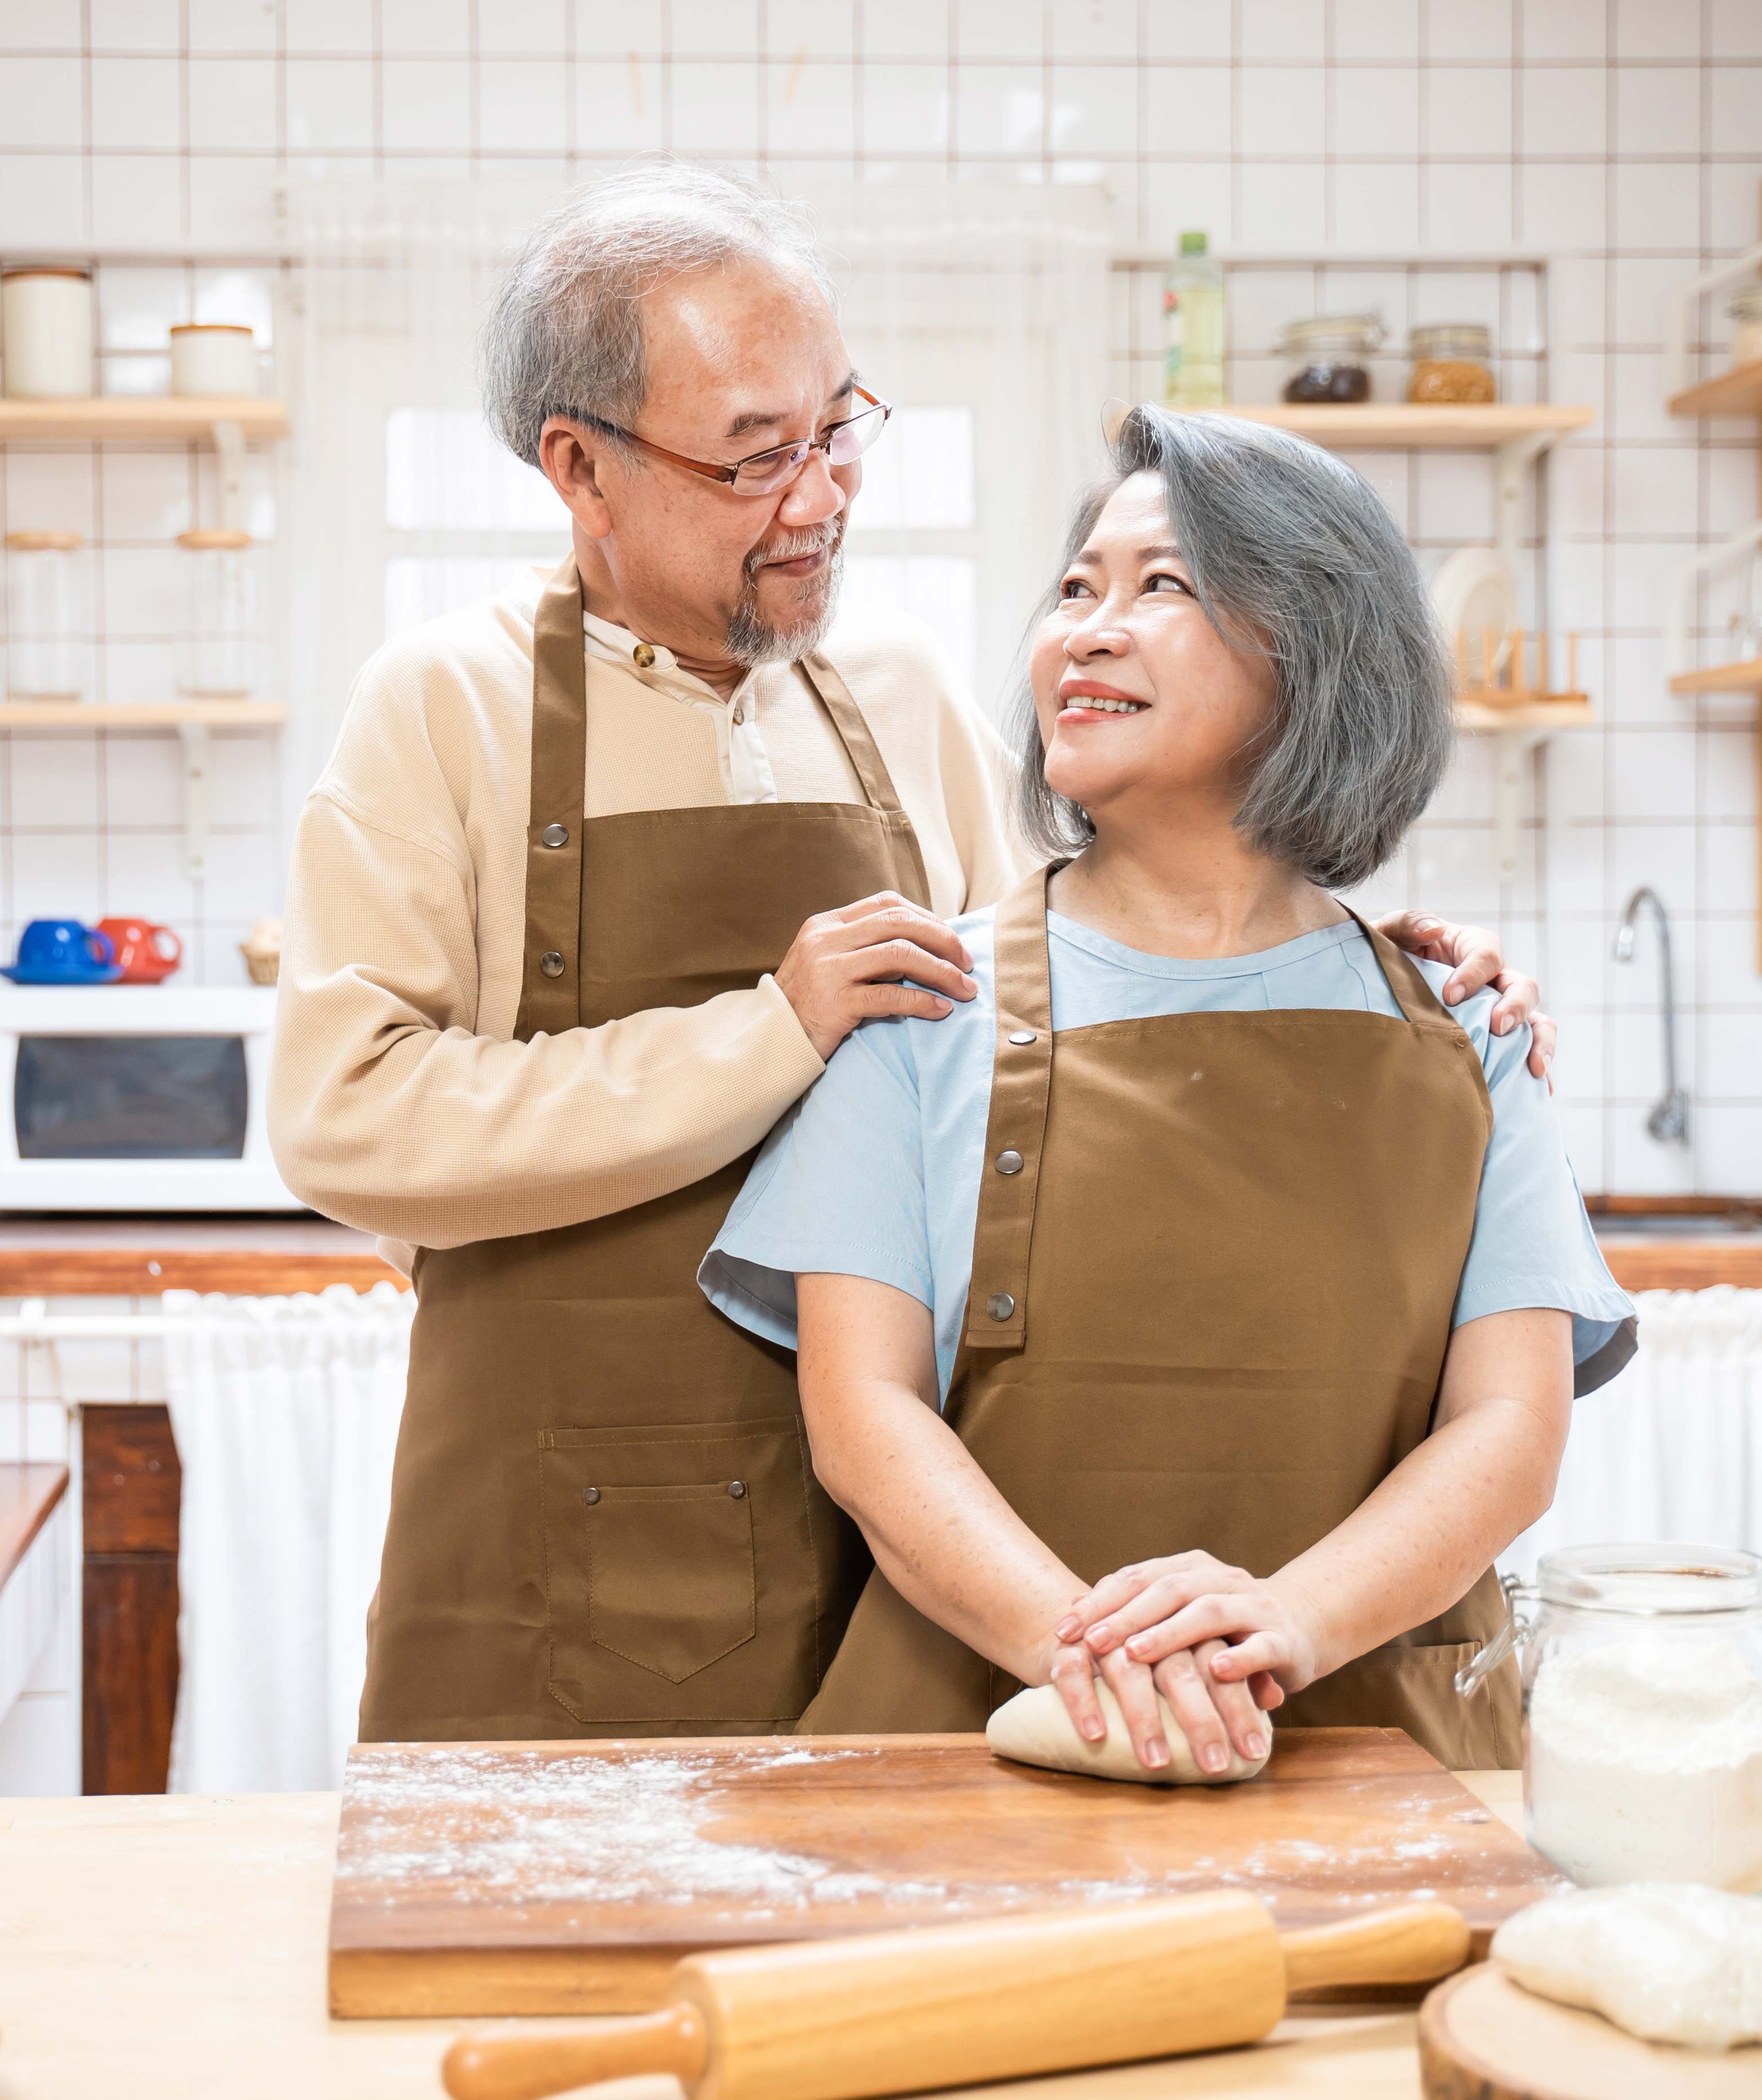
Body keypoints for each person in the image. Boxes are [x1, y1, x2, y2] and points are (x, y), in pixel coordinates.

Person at [269, 165, 1555, 1744]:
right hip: (571, 1505)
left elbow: (1080, 1002)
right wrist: (772, 1032)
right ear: (580, 468)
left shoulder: (888, 688)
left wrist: (1390, 971)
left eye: (838, 428)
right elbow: (346, 1119)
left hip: (917, 1529)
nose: (820, 496)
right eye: (757, 458)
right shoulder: (441, 708)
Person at [700, 406, 1634, 1774]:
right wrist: (1097, 1665)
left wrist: (1282, 1622)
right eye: (1075, 586)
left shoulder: (1463, 1036)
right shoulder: (917, 1009)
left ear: (1314, 653)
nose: (1087, 624)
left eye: (1163, 587)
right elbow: (863, 1418)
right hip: (986, 1741)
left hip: (1362, 1744)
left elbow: (1508, 1428)